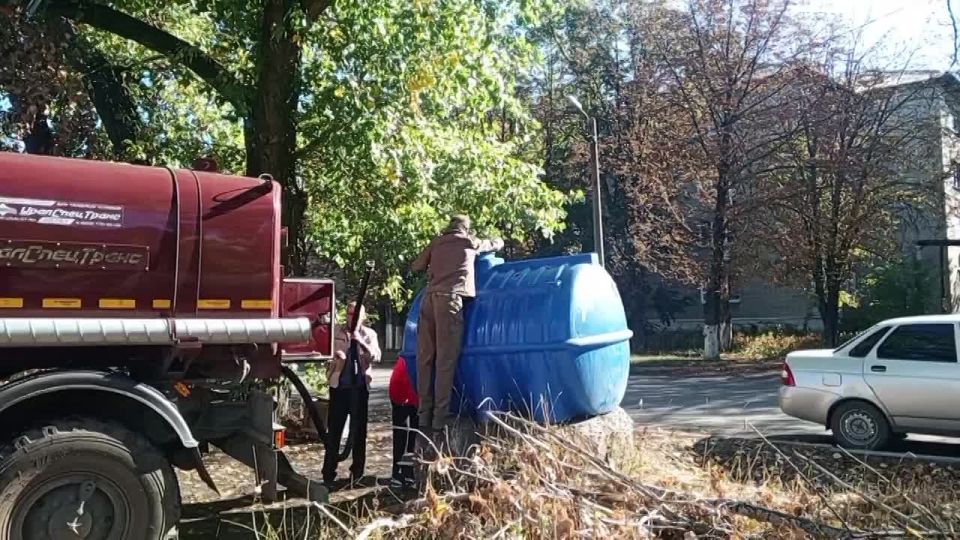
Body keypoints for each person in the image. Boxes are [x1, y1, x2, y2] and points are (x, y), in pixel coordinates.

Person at [411, 214, 503, 436]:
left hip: (428, 300)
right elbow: (493, 244)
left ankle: (423, 414)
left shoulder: (436, 242)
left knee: (425, 360)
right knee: (445, 360)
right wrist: (499, 240)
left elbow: (416, 266)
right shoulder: (469, 242)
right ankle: (440, 418)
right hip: (450, 301)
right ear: (465, 228)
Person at [322, 302, 380, 488]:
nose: (351, 318)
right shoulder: (336, 332)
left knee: (359, 432)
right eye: (349, 314)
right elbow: (325, 354)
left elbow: (376, 356)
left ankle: (357, 473)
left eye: (356, 315)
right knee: (334, 431)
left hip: (360, 388)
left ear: (363, 317)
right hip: (339, 388)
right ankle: (328, 473)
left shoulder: (369, 334)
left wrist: (360, 341)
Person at [388, 355, 419, 488]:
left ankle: (407, 473)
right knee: (406, 435)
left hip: (411, 389)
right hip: (403, 390)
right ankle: (400, 472)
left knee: (412, 435)